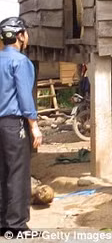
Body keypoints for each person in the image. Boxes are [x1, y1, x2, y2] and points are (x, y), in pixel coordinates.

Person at [0, 17, 41, 234]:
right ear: (20, 36)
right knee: (17, 172)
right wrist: (34, 125)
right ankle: (15, 224)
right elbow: (25, 96)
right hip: (13, 124)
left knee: (1, 171)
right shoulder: (20, 62)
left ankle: (2, 221)